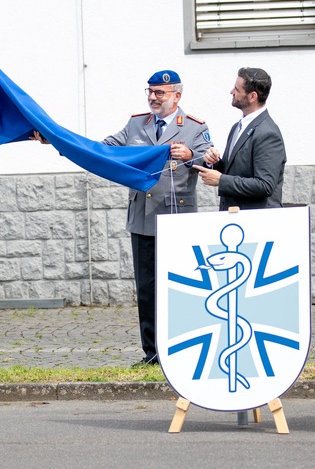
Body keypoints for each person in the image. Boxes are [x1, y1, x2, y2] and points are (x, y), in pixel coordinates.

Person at [32, 69, 214, 366]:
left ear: (177, 96)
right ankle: (152, 353)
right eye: (150, 92)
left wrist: (189, 154)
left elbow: (210, 158)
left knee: (179, 287)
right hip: (143, 217)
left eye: (160, 93)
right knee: (146, 289)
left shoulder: (194, 126)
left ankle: (183, 350)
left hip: (176, 216)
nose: (154, 98)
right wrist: (58, 142)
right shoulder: (136, 124)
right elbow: (101, 151)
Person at [195, 67, 286, 210]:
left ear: (252, 96)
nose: (231, 92)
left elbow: (265, 185)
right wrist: (213, 162)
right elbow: (233, 170)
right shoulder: (237, 127)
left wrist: (221, 180)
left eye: (237, 90)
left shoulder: (268, 134)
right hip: (235, 220)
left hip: (256, 221)